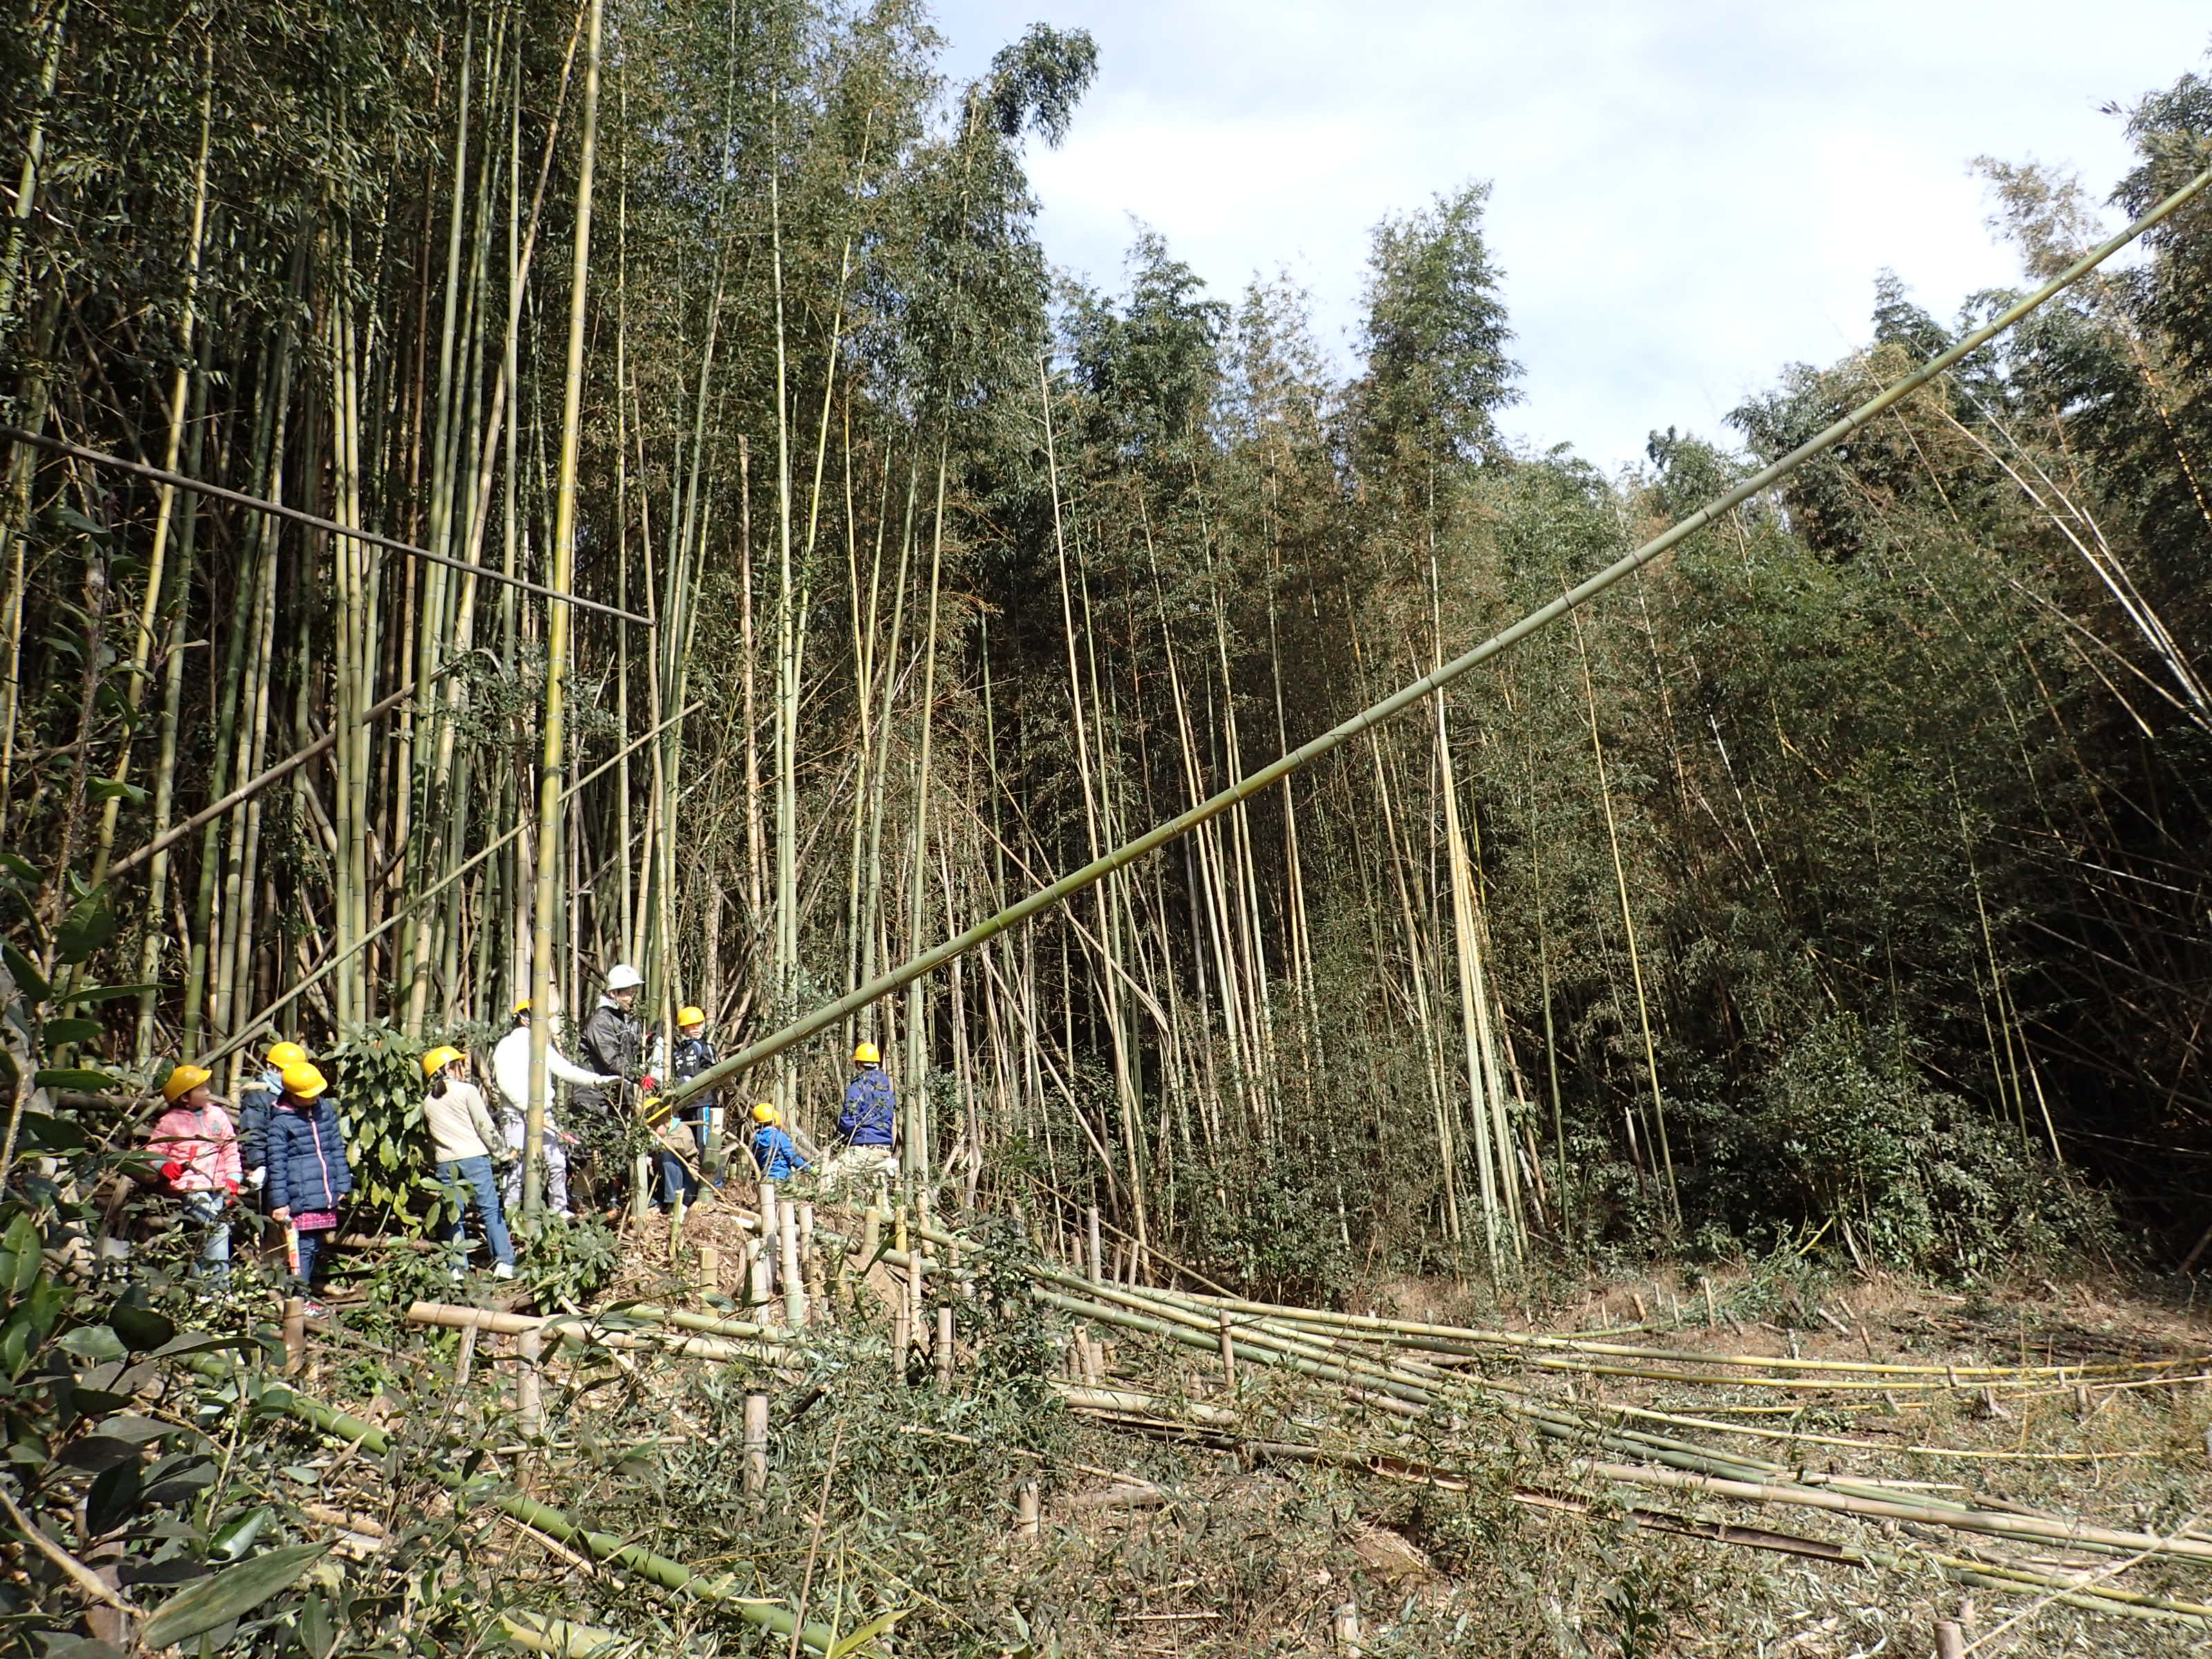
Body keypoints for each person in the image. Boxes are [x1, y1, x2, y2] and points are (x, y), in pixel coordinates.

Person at [490, 998, 618, 1217]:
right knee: (516, 1167)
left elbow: (565, 1069)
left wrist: (597, 1080)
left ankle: (559, 1208)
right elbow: (504, 1082)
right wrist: (528, 1108)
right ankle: (511, 1213)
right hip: (516, 1116)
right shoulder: (507, 1045)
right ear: (525, 1019)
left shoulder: (541, 1046)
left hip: (544, 1115)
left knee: (557, 1162)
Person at [422, 1045, 515, 1280]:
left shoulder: (427, 1101)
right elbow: (485, 1127)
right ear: (447, 1068)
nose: (463, 1068)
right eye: (459, 1064)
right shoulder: (467, 1091)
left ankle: (456, 1268)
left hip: (445, 1163)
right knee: (490, 1208)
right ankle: (504, 1263)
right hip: (473, 1158)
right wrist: (503, 1154)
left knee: (455, 1214)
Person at [264, 1061, 353, 1306]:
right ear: (293, 1095)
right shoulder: (281, 1122)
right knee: (301, 1249)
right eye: (308, 1095)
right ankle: (298, 1301)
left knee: (312, 1247)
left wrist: (342, 1184)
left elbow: (336, 1148)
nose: (314, 1098)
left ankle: (302, 1296)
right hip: (299, 1194)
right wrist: (280, 1202)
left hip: (322, 1192)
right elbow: (277, 1163)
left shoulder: (325, 1110)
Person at [148, 1062, 241, 1281]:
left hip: (217, 1186)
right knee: (217, 1229)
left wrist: (234, 1178)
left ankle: (199, 1286)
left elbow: (230, 1148)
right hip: (191, 1188)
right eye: (200, 1089)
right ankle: (219, 1289)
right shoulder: (170, 1122)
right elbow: (153, 1151)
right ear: (184, 1097)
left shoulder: (217, 1115)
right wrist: (165, 1165)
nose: (207, 1092)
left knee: (204, 1239)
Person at [574, 964, 650, 1119]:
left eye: (634, 993)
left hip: (616, 1097)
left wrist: (650, 1045)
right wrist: (638, 1076)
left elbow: (633, 1055)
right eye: (628, 994)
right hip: (593, 1098)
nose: (632, 998)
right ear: (613, 993)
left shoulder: (628, 1020)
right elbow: (612, 1059)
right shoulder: (600, 1021)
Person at [237, 1039, 308, 1202]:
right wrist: (260, 1164)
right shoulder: (258, 1096)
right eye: (286, 1071)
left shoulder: (299, 1093)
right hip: (273, 1166)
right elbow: (254, 1132)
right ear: (272, 1068)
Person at [824, 1040, 897, 1194]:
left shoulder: (858, 1087)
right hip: (884, 1150)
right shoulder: (887, 1091)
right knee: (879, 1202)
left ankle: (818, 1209)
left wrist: (842, 1135)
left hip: (865, 1150)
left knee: (828, 1175)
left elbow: (848, 1119)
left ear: (859, 1065)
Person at [667, 1004, 719, 1186]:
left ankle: (713, 1184)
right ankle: (688, 1185)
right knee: (683, 1143)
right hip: (683, 1104)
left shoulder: (705, 1047)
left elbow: (714, 1070)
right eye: (691, 1025)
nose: (696, 1028)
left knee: (705, 1143)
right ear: (683, 1029)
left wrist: (692, 1079)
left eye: (699, 1024)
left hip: (703, 1101)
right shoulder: (676, 1052)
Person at [748, 1101, 810, 1183]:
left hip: (765, 1178)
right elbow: (792, 1158)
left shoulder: (756, 1138)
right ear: (774, 1119)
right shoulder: (779, 1136)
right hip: (780, 1178)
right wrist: (809, 1168)